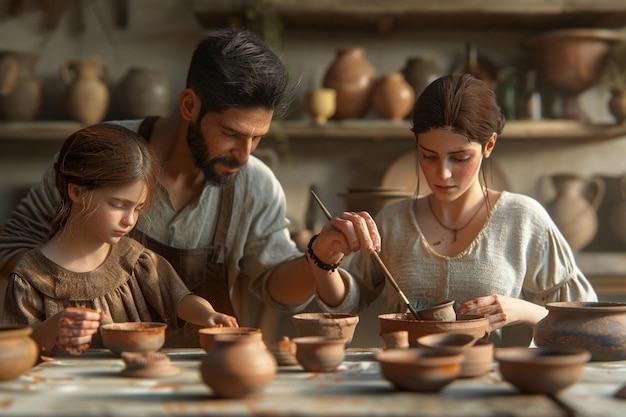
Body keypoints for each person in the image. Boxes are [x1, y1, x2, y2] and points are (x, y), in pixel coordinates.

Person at [0, 28, 348, 345]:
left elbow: (277, 288)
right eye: (231, 134)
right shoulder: (101, 153)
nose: (244, 155)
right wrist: (76, 289)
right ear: (189, 105)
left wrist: (320, 256)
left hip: (204, 372)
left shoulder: (256, 184)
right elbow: (15, 242)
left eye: (257, 138)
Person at [272, 73, 598, 346]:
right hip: (406, 380)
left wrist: (523, 310)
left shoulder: (524, 219)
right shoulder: (394, 221)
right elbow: (348, 301)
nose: (442, 173)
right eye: (429, 156)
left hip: (492, 387)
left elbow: (585, 318)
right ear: (416, 146)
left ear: (489, 146)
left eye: (459, 158)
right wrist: (323, 260)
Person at [2, 124, 238, 355]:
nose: (130, 220)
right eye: (118, 205)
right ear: (78, 192)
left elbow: (179, 299)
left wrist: (208, 314)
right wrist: (47, 332)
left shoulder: (136, 260)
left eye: (138, 208)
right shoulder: (30, 278)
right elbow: (14, 352)